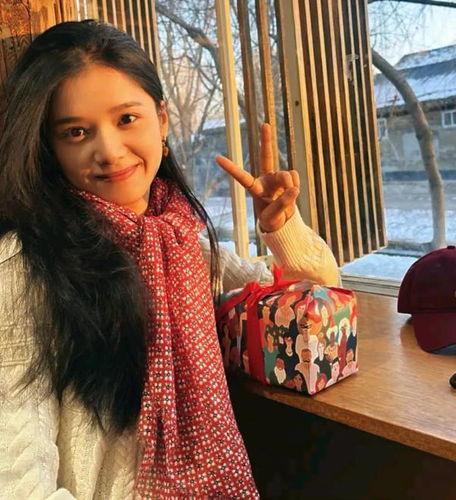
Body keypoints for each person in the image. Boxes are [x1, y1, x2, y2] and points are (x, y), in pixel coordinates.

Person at [0, 20, 340, 499]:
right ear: (49, 148)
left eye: (126, 119)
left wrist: (281, 225)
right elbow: (14, 473)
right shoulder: (24, 266)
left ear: (161, 120)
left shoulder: (180, 244)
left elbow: (315, 293)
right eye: (76, 132)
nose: (109, 151)